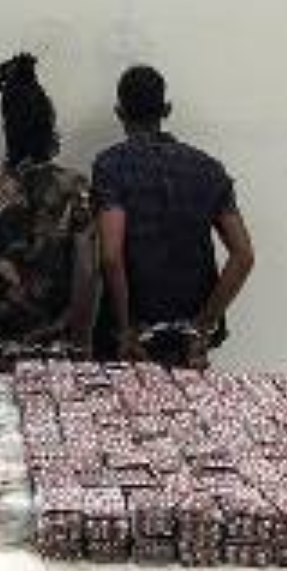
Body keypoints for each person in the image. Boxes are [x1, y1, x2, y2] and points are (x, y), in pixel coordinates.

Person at [92, 65, 254, 369]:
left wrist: (125, 329)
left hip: (135, 333)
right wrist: (203, 326)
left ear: (119, 112)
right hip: (187, 341)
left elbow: (111, 256)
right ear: (166, 109)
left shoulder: (110, 166)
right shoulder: (208, 169)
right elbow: (243, 255)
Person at [0, 53, 97, 370]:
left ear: (8, 128)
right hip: (61, 348)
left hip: (2, 348)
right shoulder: (76, 187)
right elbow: (86, 270)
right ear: (48, 125)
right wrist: (81, 339)